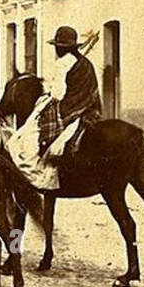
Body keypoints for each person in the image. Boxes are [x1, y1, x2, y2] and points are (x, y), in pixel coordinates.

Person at [37, 26, 102, 188]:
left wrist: (47, 95)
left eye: (56, 47)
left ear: (60, 48)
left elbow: (58, 95)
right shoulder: (86, 63)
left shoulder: (62, 64)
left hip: (70, 111)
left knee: (38, 134)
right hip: (91, 110)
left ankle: (46, 175)